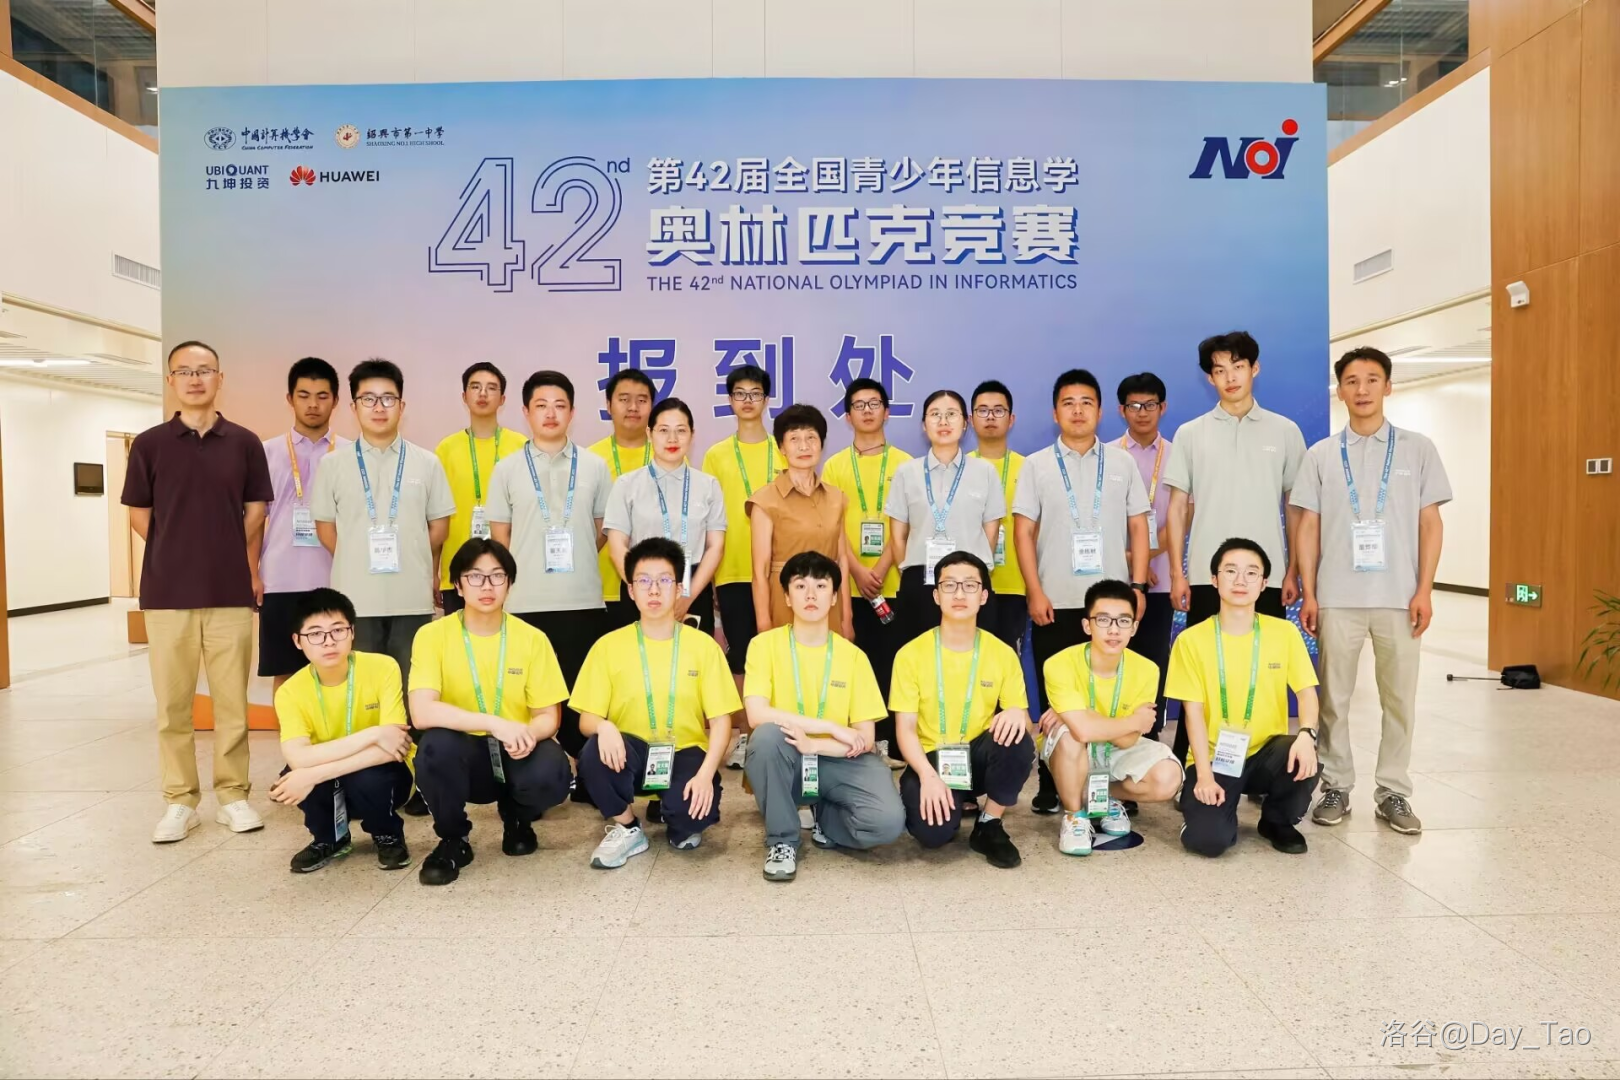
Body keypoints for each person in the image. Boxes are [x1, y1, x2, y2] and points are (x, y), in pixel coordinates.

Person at [1295, 347, 1451, 835]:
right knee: (1334, 701)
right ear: (1339, 391)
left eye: (1372, 379)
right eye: (1351, 381)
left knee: (1399, 700)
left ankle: (1393, 792)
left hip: (1399, 598)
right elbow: (1307, 528)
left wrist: (1424, 590)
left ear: (1388, 386)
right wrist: (1310, 593)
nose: (1362, 389)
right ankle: (1336, 785)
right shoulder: (1321, 455)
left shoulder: (1417, 449)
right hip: (1337, 597)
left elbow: (1430, 524)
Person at [123, 340, 274, 843]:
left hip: (230, 592)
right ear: (170, 381)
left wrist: (224, 548)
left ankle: (233, 796)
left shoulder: (245, 443)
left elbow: (257, 510)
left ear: (219, 378)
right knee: (173, 707)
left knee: (232, 703)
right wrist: (176, 547)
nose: (194, 379)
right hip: (166, 594)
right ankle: (179, 801)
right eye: (184, 371)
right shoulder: (149, 444)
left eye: (204, 370)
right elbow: (140, 514)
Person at [1163, 332, 1307, 764]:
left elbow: (1294, 506)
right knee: (1203, 673)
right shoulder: (1191, 433)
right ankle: (1192, 762)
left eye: (1238, 367)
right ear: (1209, 378)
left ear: (1254, 368)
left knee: (1266, 671)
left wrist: (1293, 570)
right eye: (1220, 370)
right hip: (1208, 578)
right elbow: (1177, 508)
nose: (1230, 377)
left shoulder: (1284, 431)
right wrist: (1177, 573)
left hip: (1266, 578)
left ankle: (1267, 764)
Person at [1012, 369, 1150, 814]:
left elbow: (1138, 527)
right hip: (1055, 600)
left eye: (1086, 402)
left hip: (1111, 606)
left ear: (1101, 411)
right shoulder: (1036, 465)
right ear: (1055, 413)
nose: (1077, 410)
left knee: (1109, 694)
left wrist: (1138, 585)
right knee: (1057, 699)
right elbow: (1023, 532)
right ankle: (1052, 782)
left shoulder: (1122, 463)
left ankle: (1111, 780)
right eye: (1068, 403)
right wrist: (1034, 590)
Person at [407, 538, 573, 886]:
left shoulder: (532, 639)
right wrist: (494, 723)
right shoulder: (432, 635)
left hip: (515, 749)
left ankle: (517, 819)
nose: (487, 586)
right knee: (434, 748)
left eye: (497, 576)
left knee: (552, 770)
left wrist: (527, 734)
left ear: (509, 584)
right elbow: (421, 712)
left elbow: (548, 716)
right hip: (463, 752)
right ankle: (453, 838)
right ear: (458, 584)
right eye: (475, 576)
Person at [572, 538, 740, 868]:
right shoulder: (608, 646)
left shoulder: (703, 647)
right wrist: (604, 727)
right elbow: (586, 719)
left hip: (684, 750)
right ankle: (628, 827)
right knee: (592, 753)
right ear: (630, 590)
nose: (653, 590)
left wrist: (706, 774)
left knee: (691, 817)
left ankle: (676, 814)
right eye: (643, 581)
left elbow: (722, 722)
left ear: (678, 589)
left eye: (663, 580)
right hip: (629, 750)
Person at [742, 552, 904, 882]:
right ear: (787, 597)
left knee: (887, 823)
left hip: (837, 758)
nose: (811, 594)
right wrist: (829, 727)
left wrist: (815, 745)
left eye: (821, 585)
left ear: (834, 598)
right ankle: (783, 840)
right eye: (800, 586)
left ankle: (825, 818)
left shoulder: (853, 656)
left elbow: (865, 739)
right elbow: (757, 714)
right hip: (787, 756)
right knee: (767, 737)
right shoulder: (764, 646)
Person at [311, 358, 456, 712]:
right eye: (368, 399)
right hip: (355, 600)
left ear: (402, 406)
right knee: (363, 696)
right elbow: (325, 528)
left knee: (412, 692)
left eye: (388, 399)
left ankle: (410, 749)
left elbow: (439, 527)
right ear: (353, 407)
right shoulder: (333, 464)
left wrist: (411, 553)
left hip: (411, 599)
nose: (379, 407)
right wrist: (355, 557)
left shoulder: (426, 462)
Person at [1166, 538, 1320, 857]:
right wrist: (1204, 775)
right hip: (1214, 756)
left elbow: (1307, 693)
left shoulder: (1284, 633)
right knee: (1209, 842)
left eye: (1251, 573)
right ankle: (1205, 818)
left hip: (1266, 751)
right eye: (1231, 571)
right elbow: (1192, 715)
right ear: (1214, 579)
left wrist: (1307, 734)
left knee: (1301, 751)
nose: (1240, 580)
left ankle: (1276, 821)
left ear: (1263, 584)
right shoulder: (1191, 640)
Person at [488, 370, 611, 762]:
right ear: (525, 412)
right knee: (528, 698)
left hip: (581, 600)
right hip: (525, 601)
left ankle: (585, 774)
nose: (551, 413)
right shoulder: (507, 469)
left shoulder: (594, 466)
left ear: (573, 412)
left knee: (580, 699)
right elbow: (500, 538)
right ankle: (533, 776)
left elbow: (601, 529)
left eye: (560, 405)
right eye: (541, 405)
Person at [891, 551, 1033, 868]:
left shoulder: (1002, 653)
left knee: (1017, 738)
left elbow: (1024, 723)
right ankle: (950, 800)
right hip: (932, 758)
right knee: (933, 834)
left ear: (983, 596)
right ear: (936, 595)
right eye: (949, 585)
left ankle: (989, 823)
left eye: (969, 585)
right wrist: (927, 776)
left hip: (978, 755)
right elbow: (905, 729)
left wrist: (1016, 713)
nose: (959, 594)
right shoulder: (910, 655)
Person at [267, 587, 414, 873]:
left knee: (368, 776)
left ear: (352, 632)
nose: (329, 641)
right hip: (341, 772)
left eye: (338, 630)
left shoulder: (383, 667)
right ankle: (330, 838)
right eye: (315, 634)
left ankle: (387, 833)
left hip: (383, 775)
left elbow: (395, 746)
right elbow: (297, 757)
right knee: (294, 773)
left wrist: (314, 773)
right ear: (298, 641)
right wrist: (374, 734)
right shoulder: (290, 691)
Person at [1037, 580, 1178, 856]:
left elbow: (1127, 741)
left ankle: (1102, 795)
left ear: (1134, 627)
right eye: (1103, 620)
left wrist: (1079, 715)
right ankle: (1075, 816)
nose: (1114, 629)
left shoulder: (1147, 670)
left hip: (1115, 749)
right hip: (1071, 749)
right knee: (1070, 737)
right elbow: (1081, 732)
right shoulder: (1059, 663)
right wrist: (1132, 721)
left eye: (1123, 621)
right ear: (1087, 625)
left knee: (1168, 777)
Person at [821, 377, 911, 761]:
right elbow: (831, 525)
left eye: (874, 404)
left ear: (887, 412)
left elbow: (906, 523)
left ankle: (889, 739)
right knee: (853, 664)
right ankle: (855, 738)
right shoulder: (835, 466)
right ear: (848, 416)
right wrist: (857, 570)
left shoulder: (905, 464)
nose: (867, 411)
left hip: (894, 583)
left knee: (892, 663)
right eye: (859, 405)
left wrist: (883, 564)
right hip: (849, 584)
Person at [702, 363, 779, 768]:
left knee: (778, 653)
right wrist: (712, 576)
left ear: (766, 400)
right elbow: (709, 519)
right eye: (740, 394)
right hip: (732, 569)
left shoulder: (784, 449)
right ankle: (747, 736)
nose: (748, 401)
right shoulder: (716, 455)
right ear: (730, 401)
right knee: (741, 655)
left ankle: (778, 735)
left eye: (755, 393)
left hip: (778, 571)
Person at [885, 389, 1005, 646]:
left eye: (951, 414)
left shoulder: (985, 472)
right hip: (920, 581)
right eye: (935, 414)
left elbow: (991, 532)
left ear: (965, 423)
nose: (943, 421)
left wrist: (973, 573)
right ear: (923, 424)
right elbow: (897, 536)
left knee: (973, 656)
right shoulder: (906, 472)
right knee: (918, 658)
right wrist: (912, 573)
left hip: (970, 583)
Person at [258, 357, 345, 705]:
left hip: (336, 580)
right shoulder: (266, 452)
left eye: (322, 396)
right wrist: (251, 573)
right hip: (280, 580)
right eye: (304, 395)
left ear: (336, 401)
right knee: (285, 674)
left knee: (338, 672)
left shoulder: (351, 453)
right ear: (289, 399)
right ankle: (291, 741)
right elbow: (254, 520)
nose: (313, 404)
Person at [604, 397, 727, 634]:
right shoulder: (627, 484)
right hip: (641, 587)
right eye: (663, 430)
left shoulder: (708, 485)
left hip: (692, 587)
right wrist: (641, 590)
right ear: (649, 433)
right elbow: (617, 546)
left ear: (692, 434)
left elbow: (716, 546)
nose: (672, 439)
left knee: (693, 656)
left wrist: (686, 597)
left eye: (680, 430)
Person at [745, 404, 850, 634]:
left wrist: (847, 618)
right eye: (794, 439)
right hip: (785, 599)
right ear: (781, 447)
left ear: (821, 444)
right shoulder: (765, 500)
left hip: (829, 600)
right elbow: (760, 572)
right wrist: (764, 625)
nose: (804, 446)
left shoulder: (836, 497)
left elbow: (842, 560)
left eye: (811, 437)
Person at [434, 362, 526, 614]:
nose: (483, 393)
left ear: (502, 399)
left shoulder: (521, 446)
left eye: (491, 388)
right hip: (459, 569)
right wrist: (433, 571)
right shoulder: (446, 449)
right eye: (475, 387)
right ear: (464, 396)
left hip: (508, 570)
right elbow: (436, 517)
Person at [1115, 372, 1175, 739]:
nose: (1142, 412)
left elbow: (1184, 513)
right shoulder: (1107, 455)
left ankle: (1149, 738)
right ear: (1121, 410)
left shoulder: (1178, 456)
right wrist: (1131, 559)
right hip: (1114, 578)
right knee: (1112, 660)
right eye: (1134, 405)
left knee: (1153, 661)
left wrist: (1147, 556)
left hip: (1162, 579)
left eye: (1150, 404)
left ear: (1162, 407)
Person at [587, 369, 654, 628]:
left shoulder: (668, 456)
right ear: (608, 405)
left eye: (642, 400)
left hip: (654, 587)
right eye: (624, 399)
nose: (633, 407)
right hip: (601, 586)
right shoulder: (590, 459)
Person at [969, 380, 1028, 652]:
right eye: (982, 410)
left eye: (998, 410)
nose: (990, 416)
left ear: (1011, 419)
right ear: (970, 419)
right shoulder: (959, 467)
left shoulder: (1029, 468)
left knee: (1008, 662)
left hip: (1016, 585)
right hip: (968, 586)